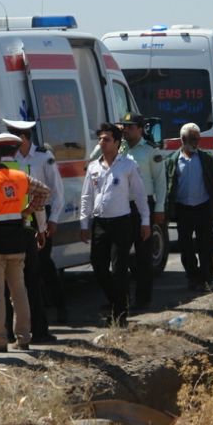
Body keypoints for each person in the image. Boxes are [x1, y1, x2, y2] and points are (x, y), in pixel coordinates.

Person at [0, 140, 50, 352]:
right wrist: (27, 211)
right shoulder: (19, 177)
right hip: (17, 240)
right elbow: (44, 191)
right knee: (19, 292)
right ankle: (23, 338)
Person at [79, 122, 149, 327]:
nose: (102, 142)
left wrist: (145, 222)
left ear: (117, 143)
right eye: (100, 138)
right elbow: (86, 196)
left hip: (122, 222)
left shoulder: (128, 165)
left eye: (106, 139)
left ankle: (120, 314)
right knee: (99, 266)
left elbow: (140, 195)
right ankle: (116, 301)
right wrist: (84, 224)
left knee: (119, 268)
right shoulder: (93, 166)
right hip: (100, 223)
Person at [1, 118, 65, 336]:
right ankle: (32, 321)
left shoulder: (44, 157)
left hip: (39, 215)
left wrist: (52, 220)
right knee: (26, 274)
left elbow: (55, 191)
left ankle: (59, 306)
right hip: (19, 218)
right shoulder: (8, 160)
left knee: (42, 265)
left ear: (23, 138)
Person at [116, 113, 166, 308]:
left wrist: (160, 207)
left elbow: (160, 182)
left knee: (143, 254)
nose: (125, 129)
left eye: (129, 126)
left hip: (142, 205)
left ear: (140, 129)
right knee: (119, 255)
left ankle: (143, 298)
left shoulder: (150, 152)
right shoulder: (118, 148)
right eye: (123, 126)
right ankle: (121, 299)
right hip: (121, 206)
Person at [165, 122, 213, 291]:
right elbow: (168, 184)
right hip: (183, 209)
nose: (196, 142)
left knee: (206, 247)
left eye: (198, 138)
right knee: (186, 248)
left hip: (203, 208)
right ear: (183, 139)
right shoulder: (173, 161)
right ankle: (192, 276)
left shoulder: (207, 159)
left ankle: (206, 279)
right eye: (192, 138)